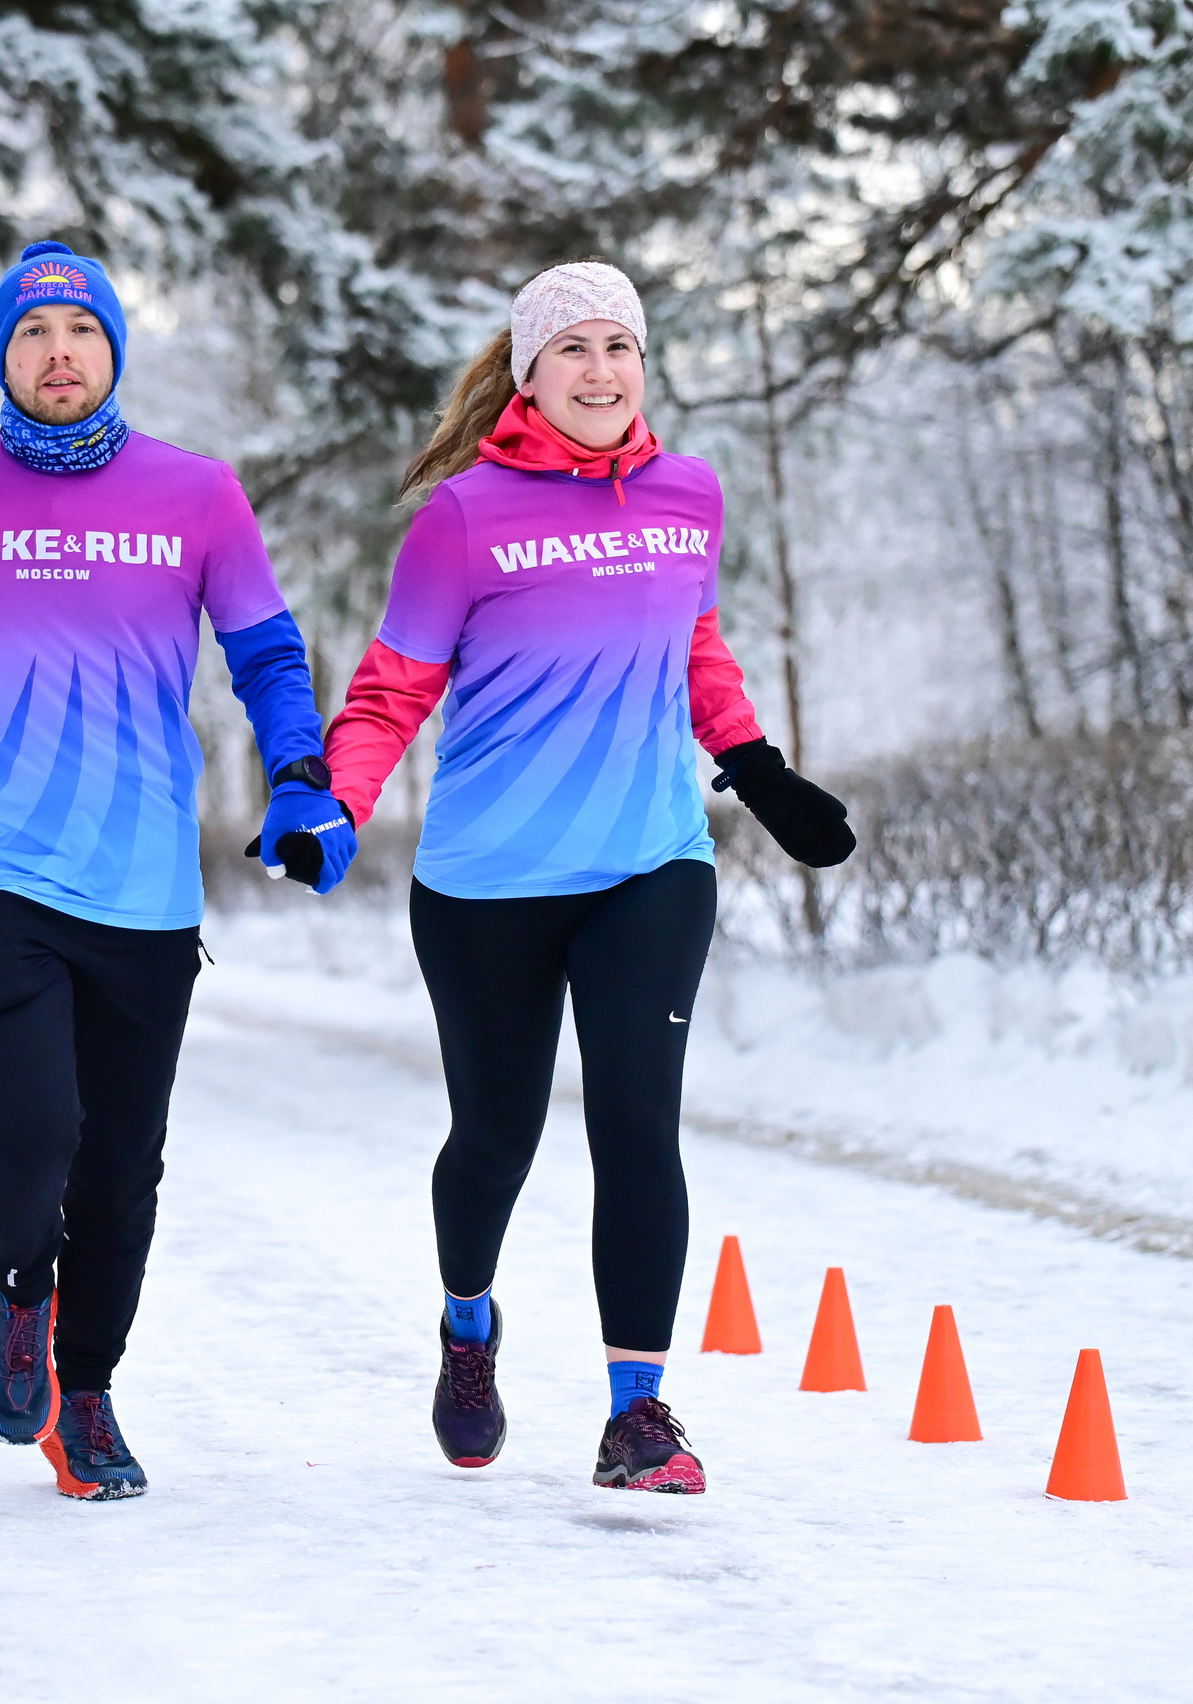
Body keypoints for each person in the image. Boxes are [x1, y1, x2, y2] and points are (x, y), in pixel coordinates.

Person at [0, 241, 356, 1502]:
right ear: (3, 360)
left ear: (115, 351)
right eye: (31, 334)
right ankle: (19, 1289)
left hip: (143, 883)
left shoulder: (198, 496)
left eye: (81, 331)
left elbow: (271, 655)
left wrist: (298, 774)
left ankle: (89, 1390)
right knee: (32, 1131)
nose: (56, 352)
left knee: (120, 1164)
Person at [323, 262, 853, 1494]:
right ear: (529, 371)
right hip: (487, 881)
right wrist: (334, 804)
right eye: (575, 349)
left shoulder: (688, 495)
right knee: (495, 1136)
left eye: (623, 346)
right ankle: (467, 1325)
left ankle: (637, 1414)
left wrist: (756, 769)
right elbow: (393, 685)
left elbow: (694, 643)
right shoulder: (461, 516)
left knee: (635, 1124)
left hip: (646, 865)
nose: (603, 370)